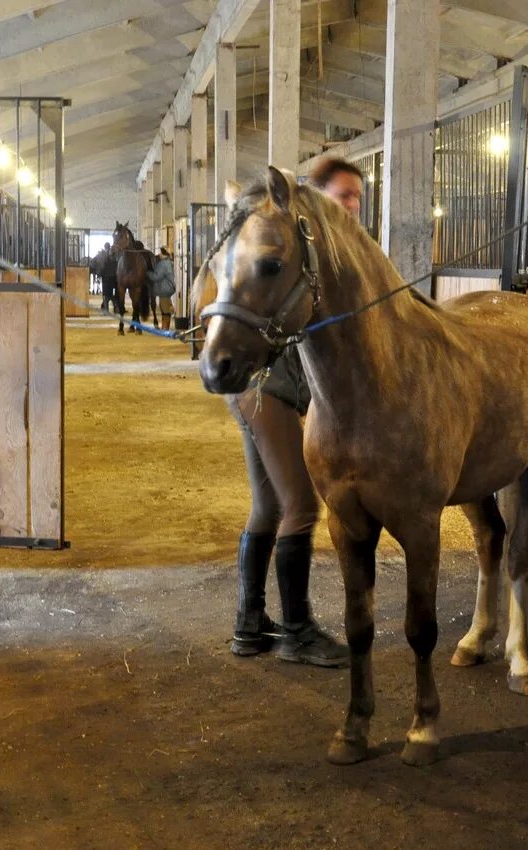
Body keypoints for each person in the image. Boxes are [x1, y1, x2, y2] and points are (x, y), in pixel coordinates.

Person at [228, 157, 365, 668]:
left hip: (261, 387)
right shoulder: (301, 250)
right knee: (301, 506)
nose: (351, 204)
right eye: (342, 194)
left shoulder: (328, 251)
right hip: (268, 388)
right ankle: (297, 631)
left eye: (356, 196)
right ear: (314, 198)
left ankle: (249, 623)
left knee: (267, 507)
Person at [147, 248, 177, 331]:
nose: (159, 254)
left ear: (164, 255)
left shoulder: (164, 264)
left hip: (164, 288)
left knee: (165, 309)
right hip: (166, 288)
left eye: (161, 253)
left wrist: (147, 273)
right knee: (164, 307)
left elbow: (156, 277)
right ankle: (164, 326)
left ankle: (165, 328)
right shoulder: (168, 263)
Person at [92, 241, 117, 313]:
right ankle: (116, 308)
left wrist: (98, 274)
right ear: (109, 247)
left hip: (105, 277)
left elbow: (95, 263)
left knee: (106, 294)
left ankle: (106, 310)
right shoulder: (115, 254)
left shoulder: (102, 254)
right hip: (114, 277)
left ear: (104, 247)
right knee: (112, 294)